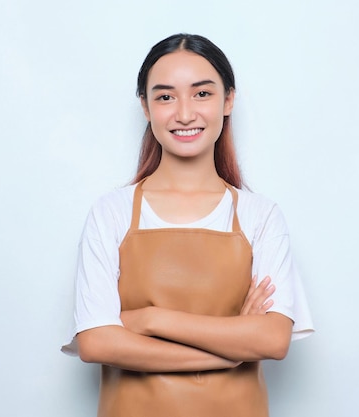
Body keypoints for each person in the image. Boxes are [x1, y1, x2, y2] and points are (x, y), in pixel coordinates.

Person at [62, 33, 314, 417]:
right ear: (145, 107)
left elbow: (274, 339)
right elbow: (96, 344)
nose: (183, 114)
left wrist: (149, 319)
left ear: (228, 100)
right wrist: (230, 351)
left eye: (202, 94)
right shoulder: (110, 213)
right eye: (165, 96)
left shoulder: (260, 216)